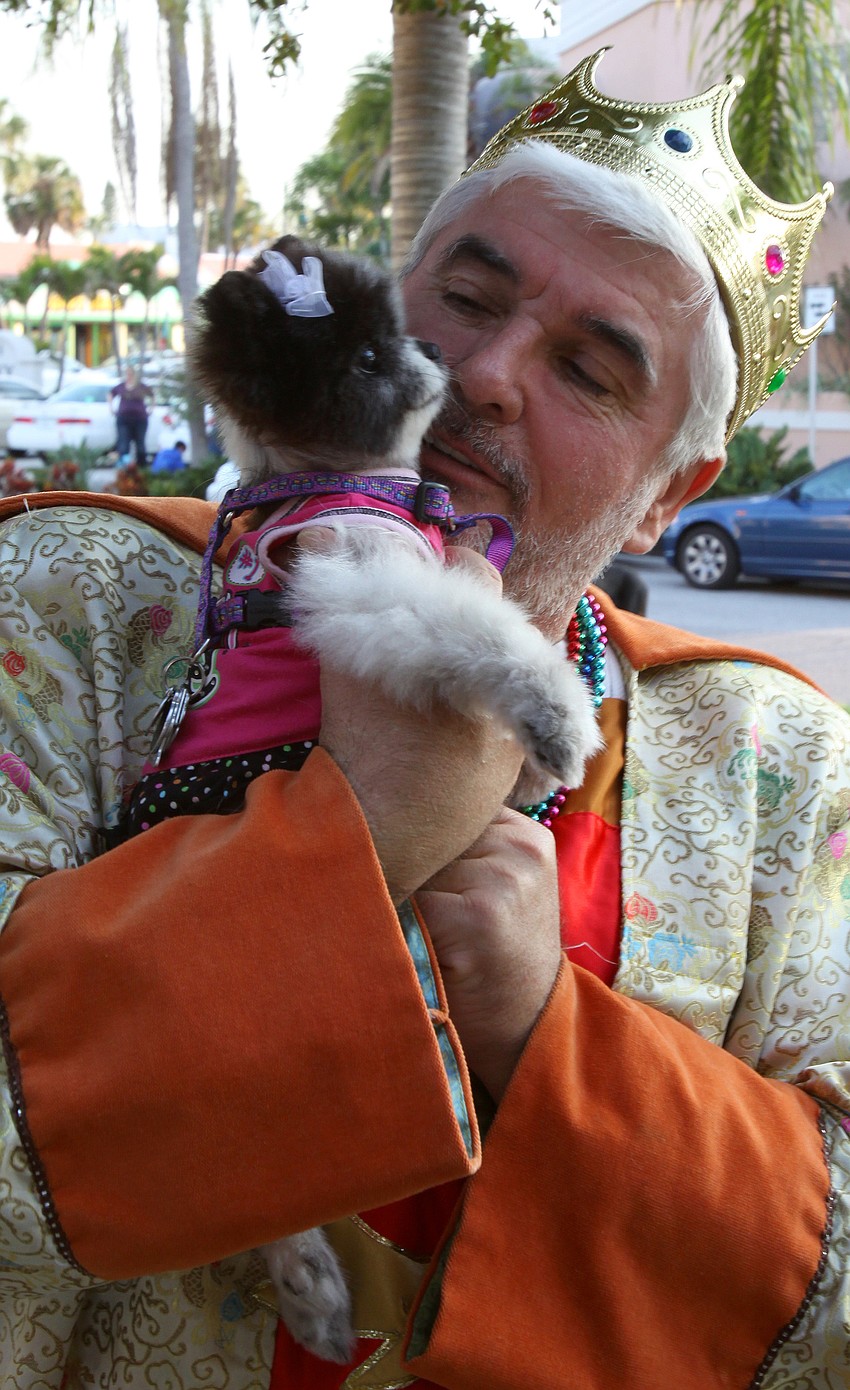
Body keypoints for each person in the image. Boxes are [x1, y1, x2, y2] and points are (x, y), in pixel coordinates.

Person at [0, 52, 847, 1390]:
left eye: (588, 367)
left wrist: (539, 1033)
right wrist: (364, 830)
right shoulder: (65, 604)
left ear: (664, 500)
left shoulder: (779, 767)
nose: (485, 373)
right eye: (463, 298)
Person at [108, 364, 154, 465]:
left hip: (140, 419)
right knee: (124, 444)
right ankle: (124, 467)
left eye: (131, 374)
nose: (129, 376)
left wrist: (151, 409)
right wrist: (111, 408)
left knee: (140, 444)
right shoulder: (121, 386)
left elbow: (152, 395)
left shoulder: (141, 386)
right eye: (127, 374)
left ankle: (141, 467)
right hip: (123, 419)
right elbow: (111, 394)